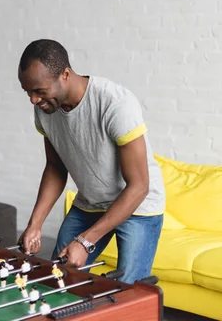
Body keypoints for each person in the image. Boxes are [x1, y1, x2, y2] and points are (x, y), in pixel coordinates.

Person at [17, 39, 165, 284]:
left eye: (39, 91)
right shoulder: (46, 109)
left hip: (138, 206)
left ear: (65, 74)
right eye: (28, 92)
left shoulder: (115, 104)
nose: (33, 100)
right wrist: (35, 224)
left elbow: (139, 186)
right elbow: (55, 168)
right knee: (60, 280)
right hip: (90, 204)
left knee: (127, 292)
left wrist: (85, 241)